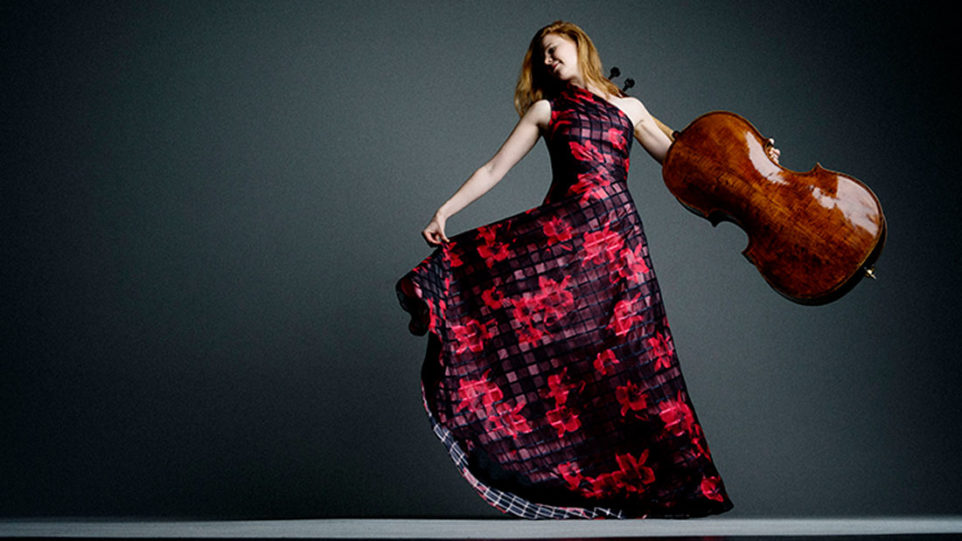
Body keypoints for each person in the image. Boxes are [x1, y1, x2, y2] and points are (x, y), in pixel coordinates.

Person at [396, 21, 777, 519]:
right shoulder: (546, 109)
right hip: (562, 238)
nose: (550, 63)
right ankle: (540, 463)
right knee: (549, 345)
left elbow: (682, 167)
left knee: (636, 356)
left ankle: (662, 488)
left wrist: (758, 164)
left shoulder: (629, 109)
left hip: (618, 243)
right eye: (543, 59)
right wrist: (445, 211)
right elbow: (493, 169)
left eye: (555, 52)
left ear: (580, 47)